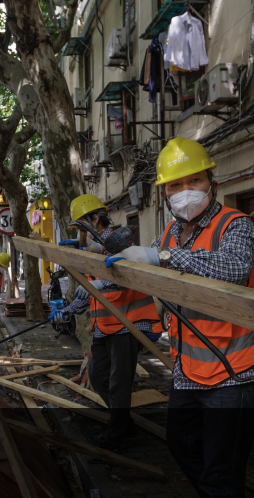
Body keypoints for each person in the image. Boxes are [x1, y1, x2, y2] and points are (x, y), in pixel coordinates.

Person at [103, 137, 254, 497]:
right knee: (180, 445)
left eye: (195, 181)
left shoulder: (236, 225)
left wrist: (161, 258)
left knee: (222, 469)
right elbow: (153, 274)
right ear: (164, 193)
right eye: (175, 184)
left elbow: (233, 268)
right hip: (189, 368)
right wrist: (103, 275)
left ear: (212, 182)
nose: (186, 191)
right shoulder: (170, 234)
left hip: (233, 369)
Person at [53, 193, 163, 452]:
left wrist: (100, 282)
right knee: (98, 375)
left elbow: (129, 274)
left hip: (129, 323)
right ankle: (123, 422)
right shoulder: (92, 252)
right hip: (105, 327)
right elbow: (88, 293)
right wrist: (67, 312)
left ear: (95, 219)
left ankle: (118, 434)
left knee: (118, 382)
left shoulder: (120, 240)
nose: (81, 236)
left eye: (82, 228)